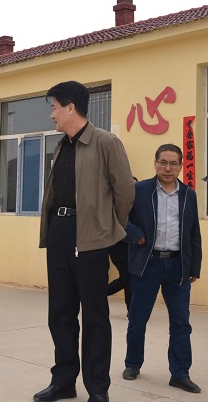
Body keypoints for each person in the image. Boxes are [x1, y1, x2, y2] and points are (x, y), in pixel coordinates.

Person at [36, 81, 135, 402]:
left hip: (91, 238)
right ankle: (64, 381)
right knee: (60, 313)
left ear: (70, 108)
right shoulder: (61, 146)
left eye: (54, 107)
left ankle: (98, 388)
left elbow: (125, 193)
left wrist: (106, 229)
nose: (51, 115)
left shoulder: (106, 142)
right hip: (59, 233)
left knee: (94, 316)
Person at [123, 144, 202, 394]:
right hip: (148, 263)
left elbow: (194, 233)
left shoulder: (189, 194)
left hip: (178, 266)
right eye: (163, 162)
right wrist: (135, 234)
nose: (168, 168)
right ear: (155, 163)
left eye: (173, 163)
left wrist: (194, 266)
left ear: (181, 166)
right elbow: (119, 216)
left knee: (181, 322)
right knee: (138, 319)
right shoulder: (139, 190)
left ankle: (180, 373)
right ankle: (133, 363)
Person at [106, 176, 138, 315]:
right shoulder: (116, 204)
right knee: (128, 277)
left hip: (132, 246)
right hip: (118, 245)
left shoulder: (137, 205)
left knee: (126, 278)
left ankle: (96, 294)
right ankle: (132, 310)